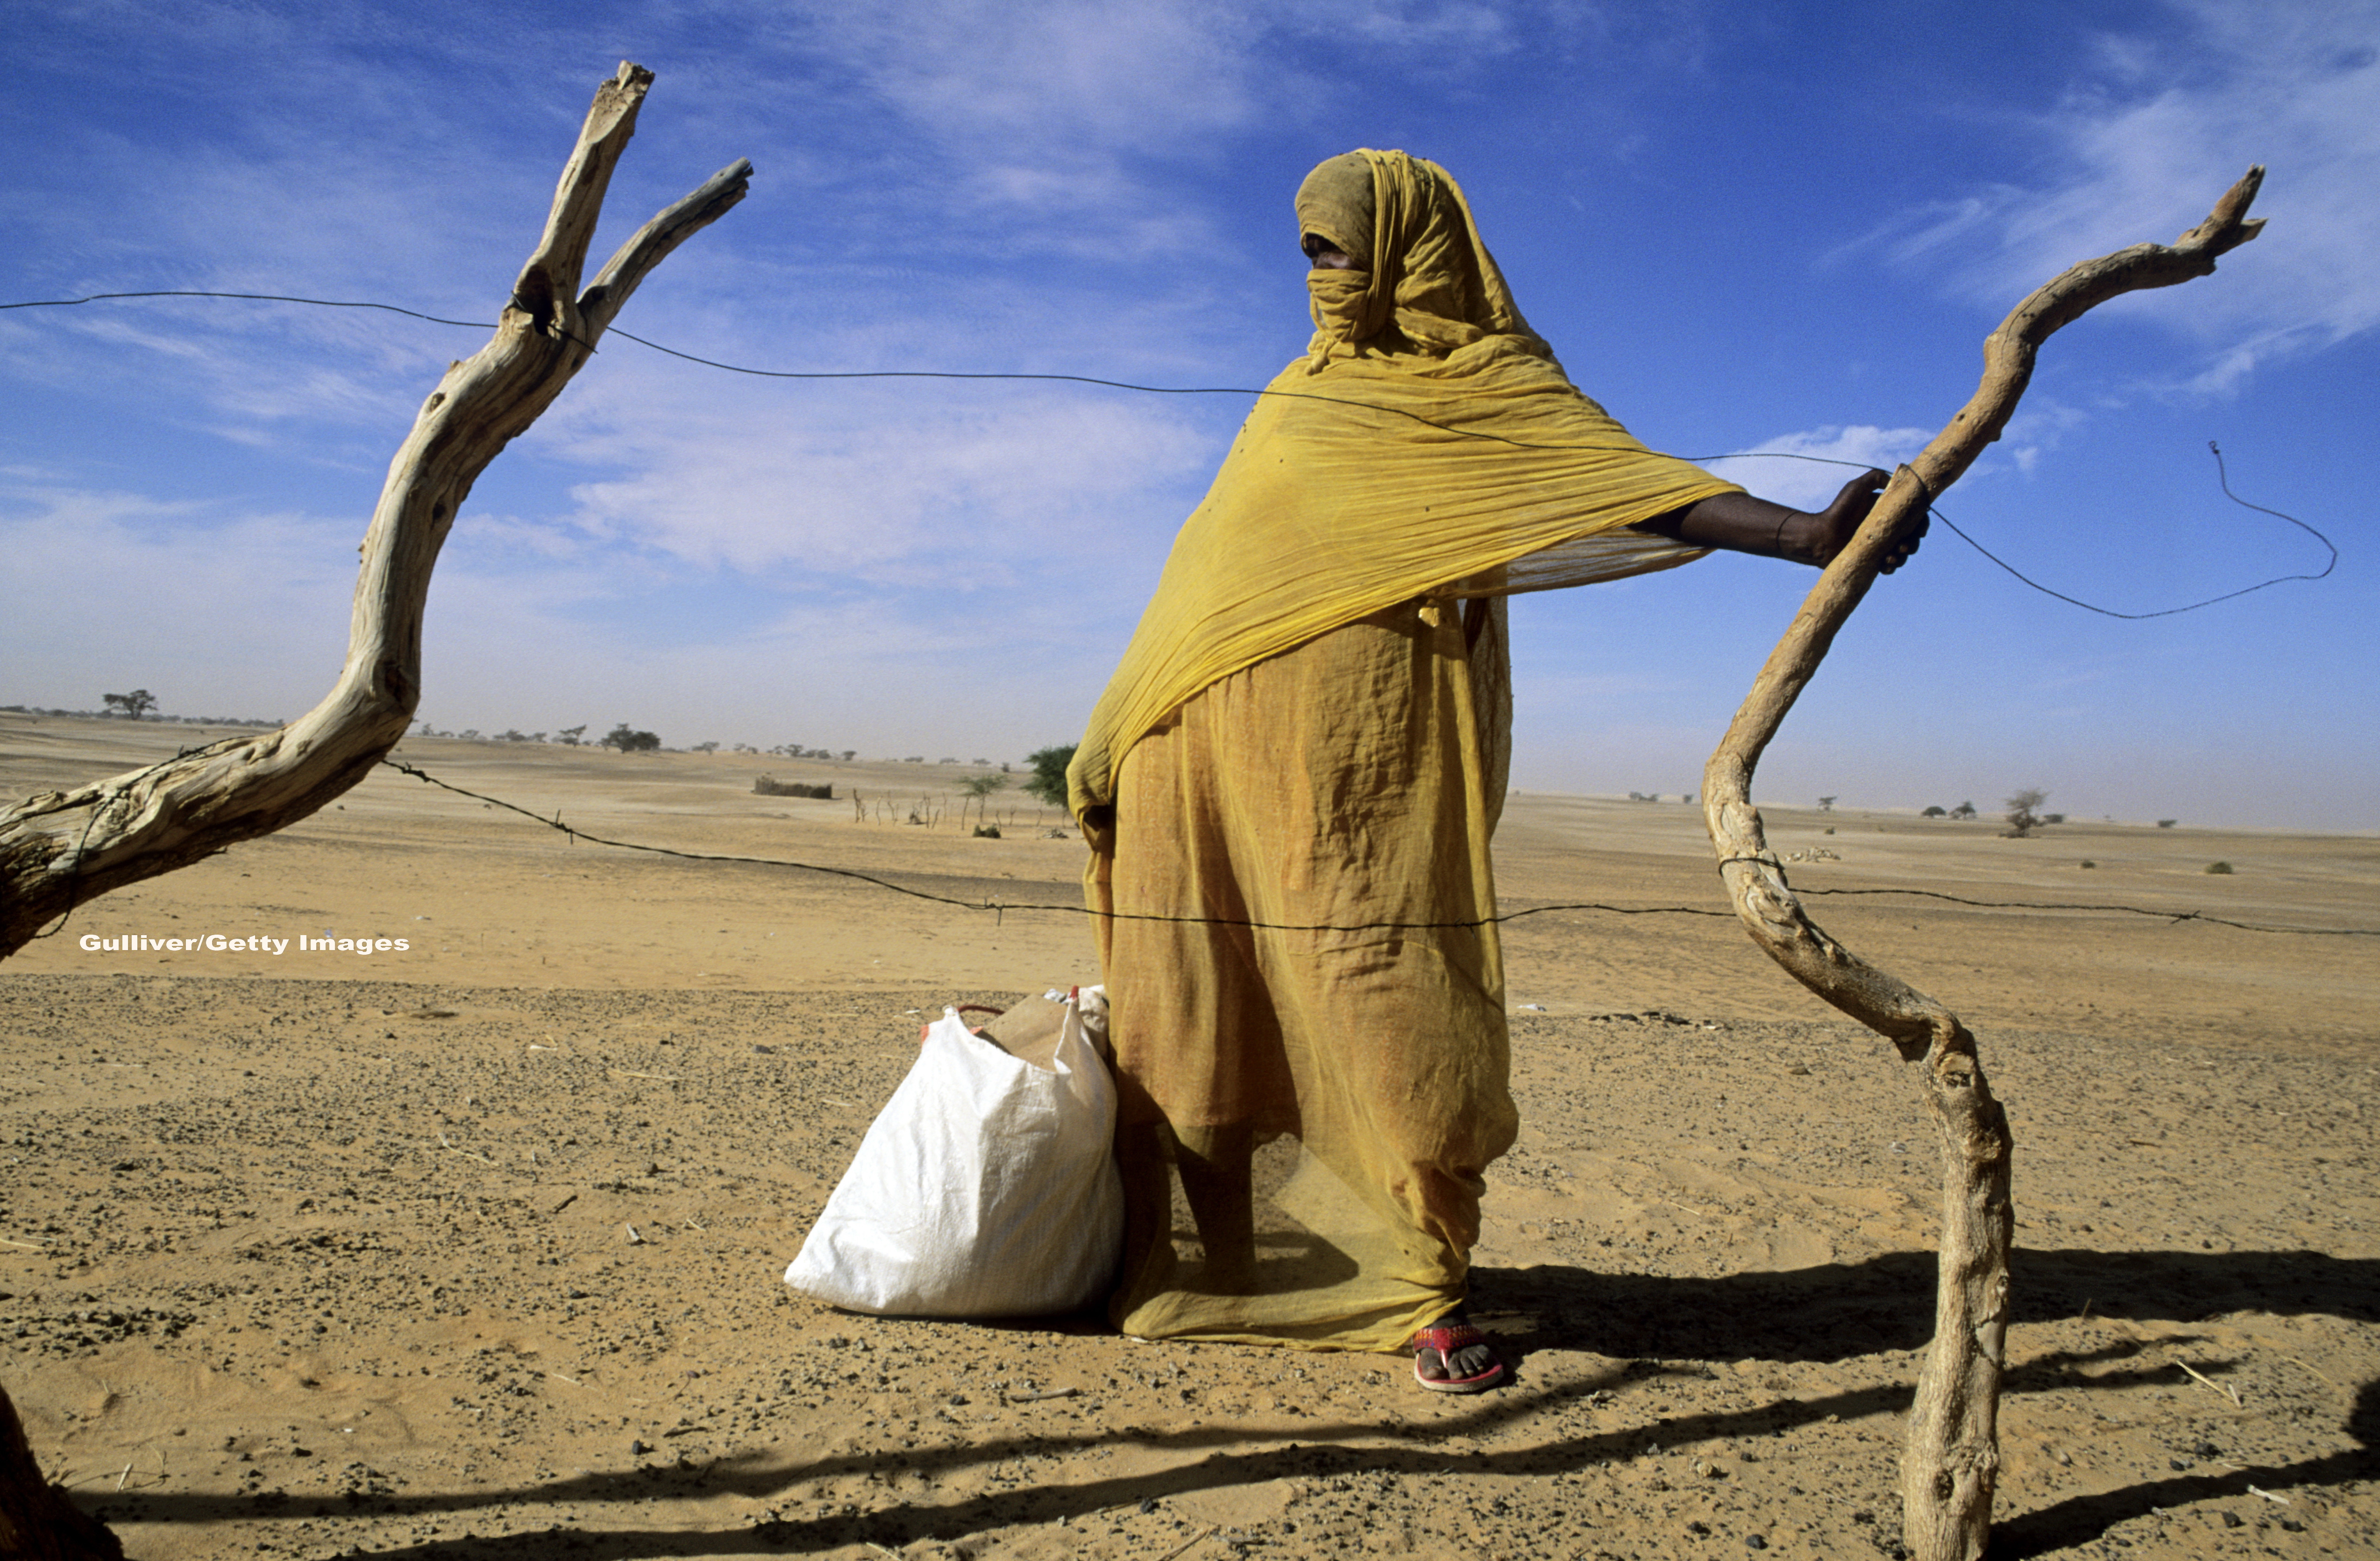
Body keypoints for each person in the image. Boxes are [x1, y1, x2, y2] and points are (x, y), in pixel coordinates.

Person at [1066, 149, 1920, 1392]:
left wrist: (1802, 536)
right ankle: (1207, 1270)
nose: (1316, 277)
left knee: (1390, 1000)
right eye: (1304, 252)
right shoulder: (1297, 393)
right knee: (1203, 1002)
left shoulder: (1480, 382)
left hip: (1362, 768)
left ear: (1412, 248)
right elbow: (1206, 579)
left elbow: (1617, 486)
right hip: (1196, 747)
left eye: (1335, 248)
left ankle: (1418, 1284)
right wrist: (1112, 724)